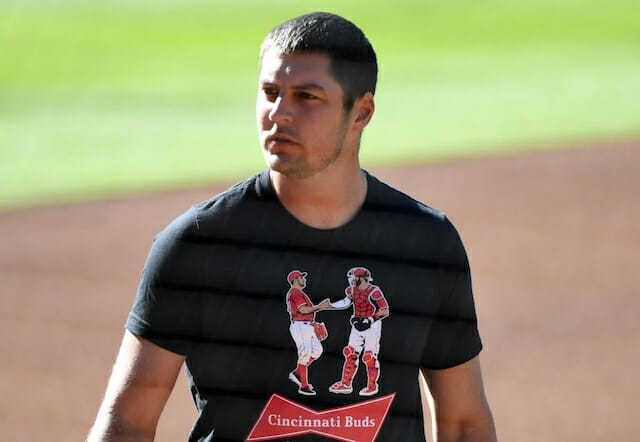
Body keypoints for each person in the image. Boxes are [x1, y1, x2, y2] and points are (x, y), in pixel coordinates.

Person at [88, 11, 497, 442]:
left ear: (361, 112)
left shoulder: (426, 243)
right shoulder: (198, 244)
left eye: (306, 97)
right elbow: (127, 421)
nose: (279, 113)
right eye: (270, 93)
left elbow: (463, 423)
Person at [328, 267, 389, 397]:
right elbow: (346, 302)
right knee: (350, 353)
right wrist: (331, 305)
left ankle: (372, 386)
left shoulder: (374, 291)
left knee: (369, 356)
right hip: (357, 322)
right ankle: (346, 384)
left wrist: (370, 320)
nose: (351, 280)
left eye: (354, 277)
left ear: (361, 278)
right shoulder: (351, 290)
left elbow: (384, 310)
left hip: (372, 325)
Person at [284, 270, 331, 396]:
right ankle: (304, 386)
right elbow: (303, 310)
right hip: (300, 326)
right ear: (295, 280)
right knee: (305, 354)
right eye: (301, 277)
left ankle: (297, 373)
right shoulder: (295, 293)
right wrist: (320, 306)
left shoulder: (298, 293)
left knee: (317, 351)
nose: (304, 279)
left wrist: (320, 308)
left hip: (306, 325)